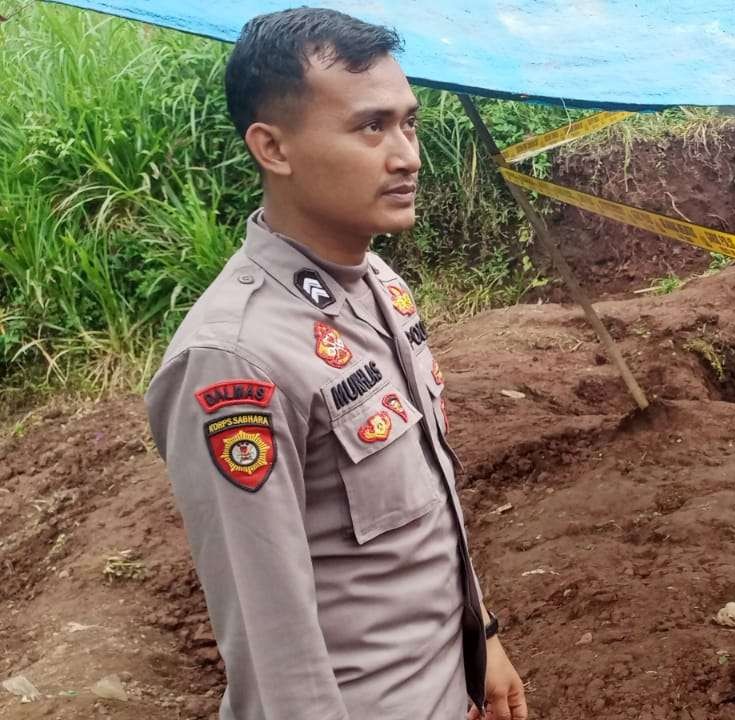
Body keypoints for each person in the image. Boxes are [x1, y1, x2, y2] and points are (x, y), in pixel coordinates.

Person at [144, 8, 526, 719]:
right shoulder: (235, 360)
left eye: (408, 123)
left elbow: (426, 509)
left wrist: (483, 636)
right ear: (273, 148)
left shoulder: (380, 285)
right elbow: (271, 650)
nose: (408, 154)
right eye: (370, 126)